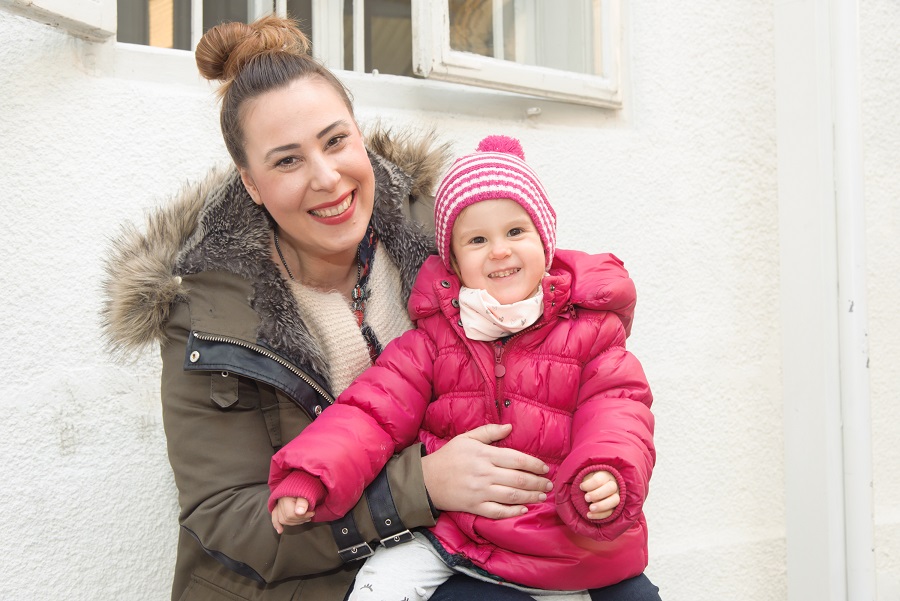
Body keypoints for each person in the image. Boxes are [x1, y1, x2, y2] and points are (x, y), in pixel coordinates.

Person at [100, 15, 570, 601]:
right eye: (287, 161)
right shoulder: (207, 314)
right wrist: (420, 485)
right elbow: (229, 518)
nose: (327, 178)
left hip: (457, 559)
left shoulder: (446, 244)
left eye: (335, 141)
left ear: (359, 135)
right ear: (251, 183)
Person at [268, 135, 658, 601]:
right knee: (379, 584)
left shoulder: (590, 333)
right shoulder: (434, 340)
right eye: (477, 239)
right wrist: (312, 473)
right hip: (457, 535)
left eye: (516, 232)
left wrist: (607, 472)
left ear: (545, 241)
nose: (499, 250)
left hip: (561, 535)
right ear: (452, 260)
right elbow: (370, 411)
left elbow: (618, 412)